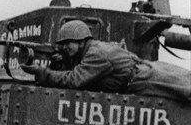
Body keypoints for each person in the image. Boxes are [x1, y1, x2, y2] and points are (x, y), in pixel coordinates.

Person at [21, 20, 191, 102]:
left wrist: (41, 72)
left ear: (81, 41)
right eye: (61, 45)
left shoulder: (96, 54)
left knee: (186, 88)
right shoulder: (92, 49)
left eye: (67, 43)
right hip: (140, 76)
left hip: (147, 79)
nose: (64, 48)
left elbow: (74, 81)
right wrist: (62, 62)